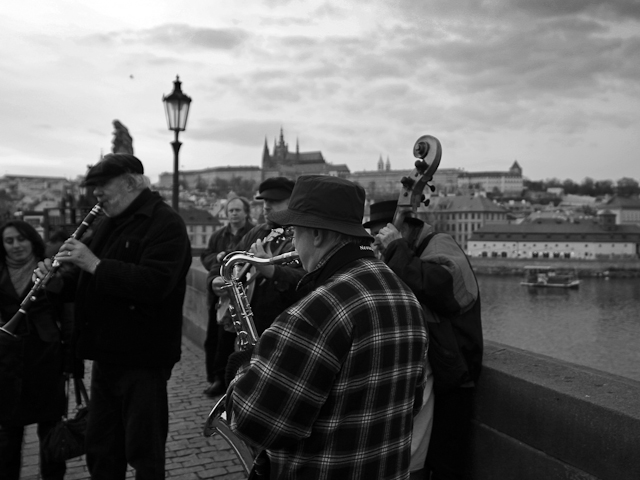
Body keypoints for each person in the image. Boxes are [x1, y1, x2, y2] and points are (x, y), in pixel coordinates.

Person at [226, 175, 429, 479]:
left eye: (295, 232)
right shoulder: (405, 296)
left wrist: (246, 363)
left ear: (318, 235)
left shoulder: (315, 312)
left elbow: (254, 422)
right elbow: (412, 404)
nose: (293, 243)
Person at [35, 153, 192, 480]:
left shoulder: (166, 223)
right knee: (102, 449)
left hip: (144, 357)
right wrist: (56, 282)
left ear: (131, 182)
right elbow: (85, 281)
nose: (96, 194)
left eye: (103, 186)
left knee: (144, 452)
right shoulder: (109, 221)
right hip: (106, 354)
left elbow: (155, 284)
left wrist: (94, 263)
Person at [369, 199, 483, 480]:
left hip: (454, 373)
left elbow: (444, 289)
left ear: (406, 227)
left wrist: (396, 249)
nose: (378, 240)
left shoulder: (439, 243)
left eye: (382, 233)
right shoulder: (405, 253)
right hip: (428, 372)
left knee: (445, 463)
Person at [207, 177, 304, 362]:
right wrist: (214, 280)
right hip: (247, 324)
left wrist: (272, 271)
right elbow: (229, 258)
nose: (266, 206)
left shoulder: (299, 236)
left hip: (279, 329)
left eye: (274, 201)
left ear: (292, 203)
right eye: (265, 201)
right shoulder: (258, 232)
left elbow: (305, 280)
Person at [0, 220, 68, 480]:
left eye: (21, 239)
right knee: (7, 437)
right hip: (7, 362)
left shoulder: (49, 268)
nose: (16, 245)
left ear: (32, 240)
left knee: (51, 432)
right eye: (9, 241)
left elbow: (66, 312)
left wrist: (71, 361)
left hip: (45, 359)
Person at [200, 196, 254, 398]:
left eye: (237, 210)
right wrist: (215, 258)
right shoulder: (218, 235)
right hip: (220, 295)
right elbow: (206, 257)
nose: (233, 214)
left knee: (237, 341)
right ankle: (216, 378)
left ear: (246, 212)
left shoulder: (252, 233)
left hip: (243, 295)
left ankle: (234, 381)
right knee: (214, 340)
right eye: (230, 210)